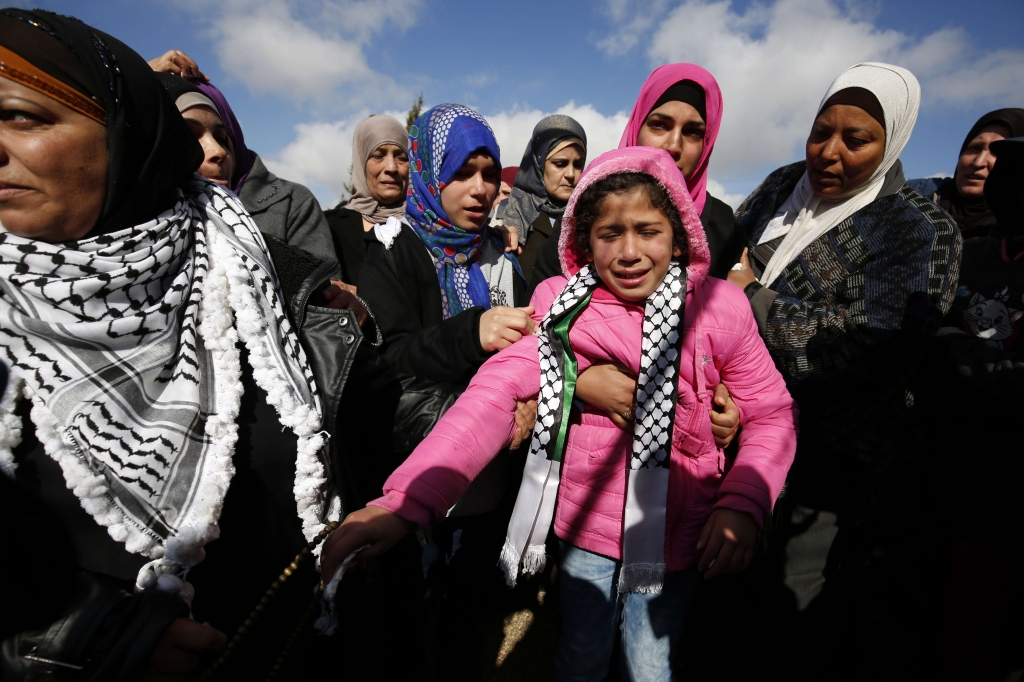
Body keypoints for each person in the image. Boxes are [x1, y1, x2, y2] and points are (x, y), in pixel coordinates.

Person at [323, 146, 798, 682]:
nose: (629, 251)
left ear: (680, 233)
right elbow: (493, 396)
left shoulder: (720, 311)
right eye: (609, 233)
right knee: (580, 655)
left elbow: (771, 415)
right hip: (587, 533)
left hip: (678, 534)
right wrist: (406, 500)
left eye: (648, 230)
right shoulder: (561, 307)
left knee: (650, 664)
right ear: (583, 239)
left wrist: (743, 503)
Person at [0, 10, 361, 679]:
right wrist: (87, 636)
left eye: (21, 116)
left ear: (129, 132)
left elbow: (370, 427)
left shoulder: (268, 279)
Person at [727, 62, 961, 679]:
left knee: (793, 620)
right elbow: (719, 260)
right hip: (734, 434)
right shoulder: (781, 186)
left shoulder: (919, 227)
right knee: (723, 602)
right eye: (819, 132)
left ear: (894, 143)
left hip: (830, 467)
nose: (828, 153)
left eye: (856, 140)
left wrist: (753, 299)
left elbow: (872, 349)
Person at [149, 54, 337, 264]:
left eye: (221, 138)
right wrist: (136, 78)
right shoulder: (129, 224)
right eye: (190, 137)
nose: (218, 152)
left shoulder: (291, 202)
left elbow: (323, 288)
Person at [495, 115, 586, 283]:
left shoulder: (588, 215)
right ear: (539, 164)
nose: (571, 174)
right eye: (560, 164)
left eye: (578, 164)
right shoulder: (512, 213)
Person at [908, 108, 1024, 239]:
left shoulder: (1012, 242)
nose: (978, 162)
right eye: (975, 148)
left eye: (996, 152)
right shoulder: (911, 196)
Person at [324, 114, 409, 286]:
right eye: (378, 155)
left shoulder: (426, 227)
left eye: (401, 157)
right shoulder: (327, 227)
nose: (391, 167)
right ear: (361, 160)